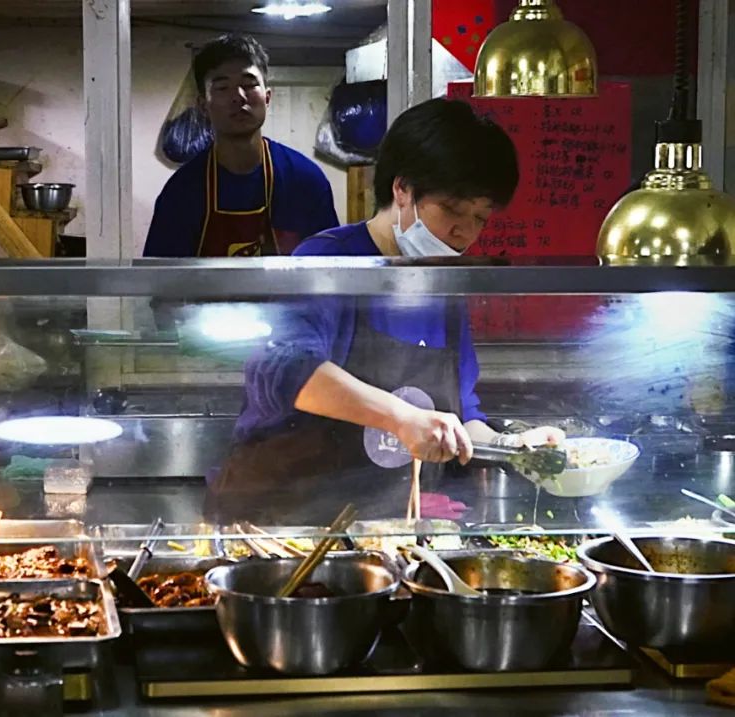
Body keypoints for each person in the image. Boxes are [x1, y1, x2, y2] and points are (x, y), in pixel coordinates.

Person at [208, 98, 564, 522]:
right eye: (452, 209)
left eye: (480, 218)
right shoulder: (328, 261)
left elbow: (462, 416)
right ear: (403, 189)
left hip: (375, 522)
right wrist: (401, 418)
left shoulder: (442, 285)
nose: (465, 232)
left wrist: (512, 448)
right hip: (284, 519)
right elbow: (284, 370)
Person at [143, 34, 339, 258]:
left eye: (249, 84)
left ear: (267, 97)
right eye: (222, 87)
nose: (238, 96)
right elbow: (162, 277)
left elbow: (330, 269)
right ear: (203, 106)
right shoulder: (181, 194)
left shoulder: (306, 181)